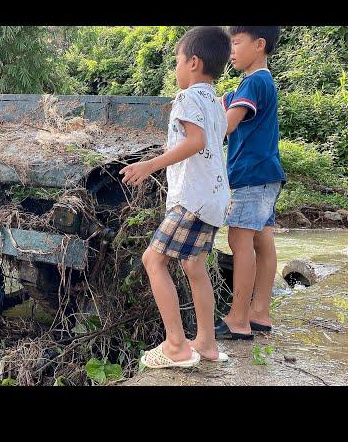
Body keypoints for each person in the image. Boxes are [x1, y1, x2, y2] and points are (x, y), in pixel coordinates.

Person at [120, 26, 231, 368]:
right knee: (194, 265)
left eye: (178, 61)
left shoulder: (188, 98)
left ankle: (176, 346)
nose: (176, 69)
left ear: (194, 63)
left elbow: (195, 142)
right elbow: (210, 142)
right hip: (214, 199)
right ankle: (207, 344)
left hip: (192, 199)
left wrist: (150, 164)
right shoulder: (215, 102)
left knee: (153, 261)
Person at [215, 26, 285, 340]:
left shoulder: (253, 81)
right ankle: (260, 313)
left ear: (258, 45)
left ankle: (238, 319)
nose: (231, 50)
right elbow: (221, 100)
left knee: (239, 242)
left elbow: (227, 124)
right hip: (267, 174)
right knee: (262, 242)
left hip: (250, 176)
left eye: (236, 43)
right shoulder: (263, 81)